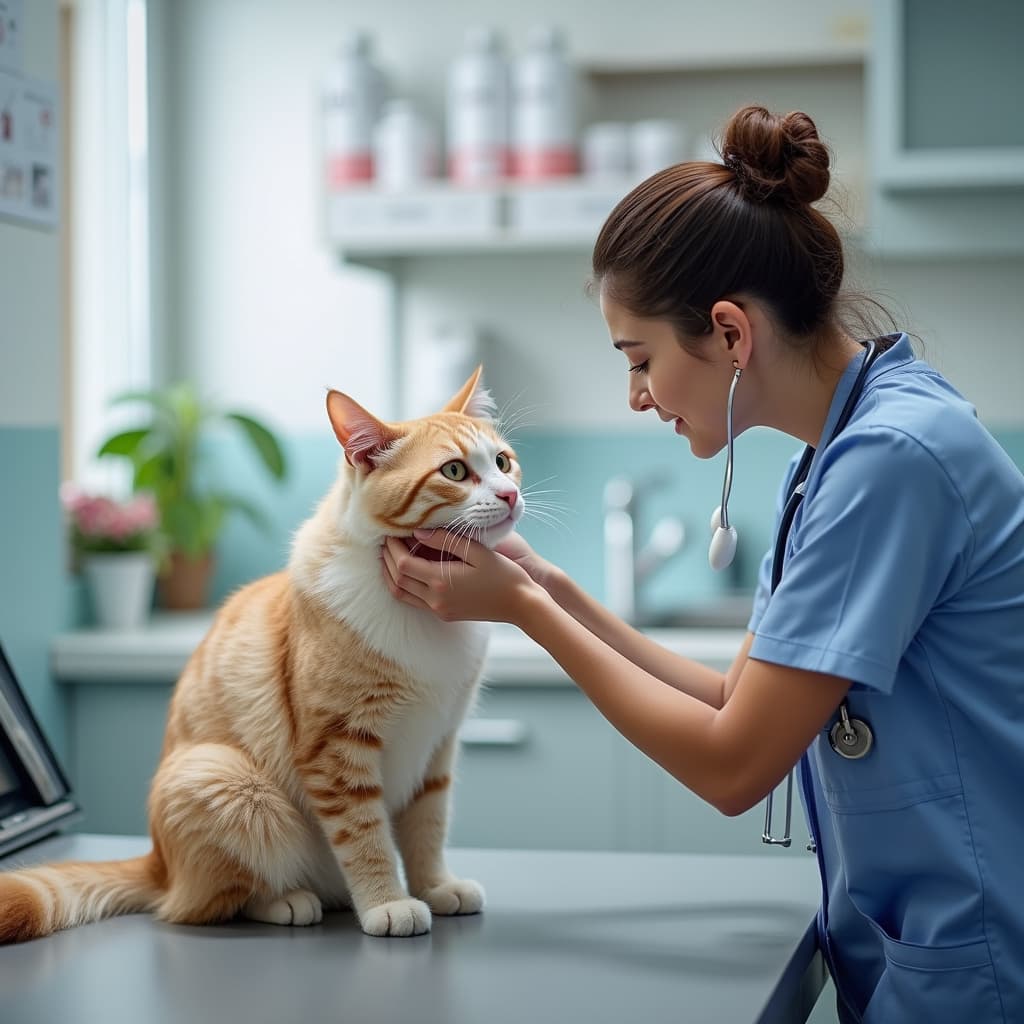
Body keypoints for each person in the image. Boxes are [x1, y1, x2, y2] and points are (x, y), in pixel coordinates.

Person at [381, 105, 1024, 1024]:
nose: (636, 396)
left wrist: (527, 615)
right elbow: (736, 696)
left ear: (729, 332)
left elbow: (733, 765)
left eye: (638, 360)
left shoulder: (892, 461)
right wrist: (547, 586)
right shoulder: (834, 457)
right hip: (921, 949)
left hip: (984, 965)